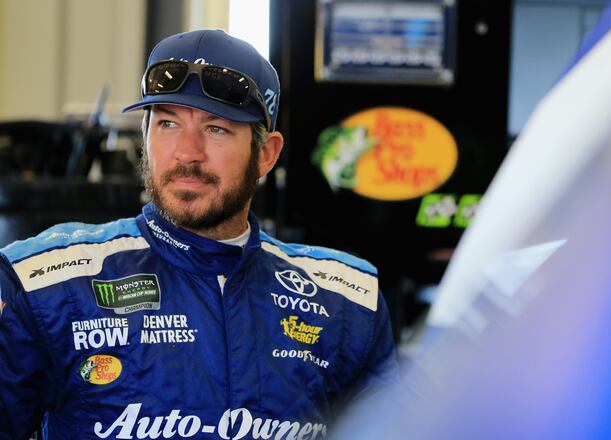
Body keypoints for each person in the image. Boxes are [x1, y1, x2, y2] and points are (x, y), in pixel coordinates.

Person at [0, 29, 397, 440]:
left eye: (216, 129)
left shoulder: (348, 301)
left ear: (266, 154)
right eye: (168, 123)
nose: (187, 152)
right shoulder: (45, 285)